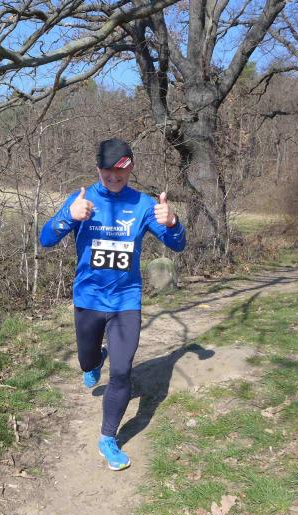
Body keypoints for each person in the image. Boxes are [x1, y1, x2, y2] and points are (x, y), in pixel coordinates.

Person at [39, 138, 186, 470]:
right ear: (98, 169)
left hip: (125, 301)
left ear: (131, 168)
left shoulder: (143, 205)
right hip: (89, 298)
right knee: (87, 361)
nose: (114, 178)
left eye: (121, 172)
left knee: (121, 372)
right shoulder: (82, 200)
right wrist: (68, 217)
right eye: (107, 172)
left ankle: (108, 438)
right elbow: (45, 239)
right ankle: (94, 361)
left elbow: (177, 245)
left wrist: (173, 223)